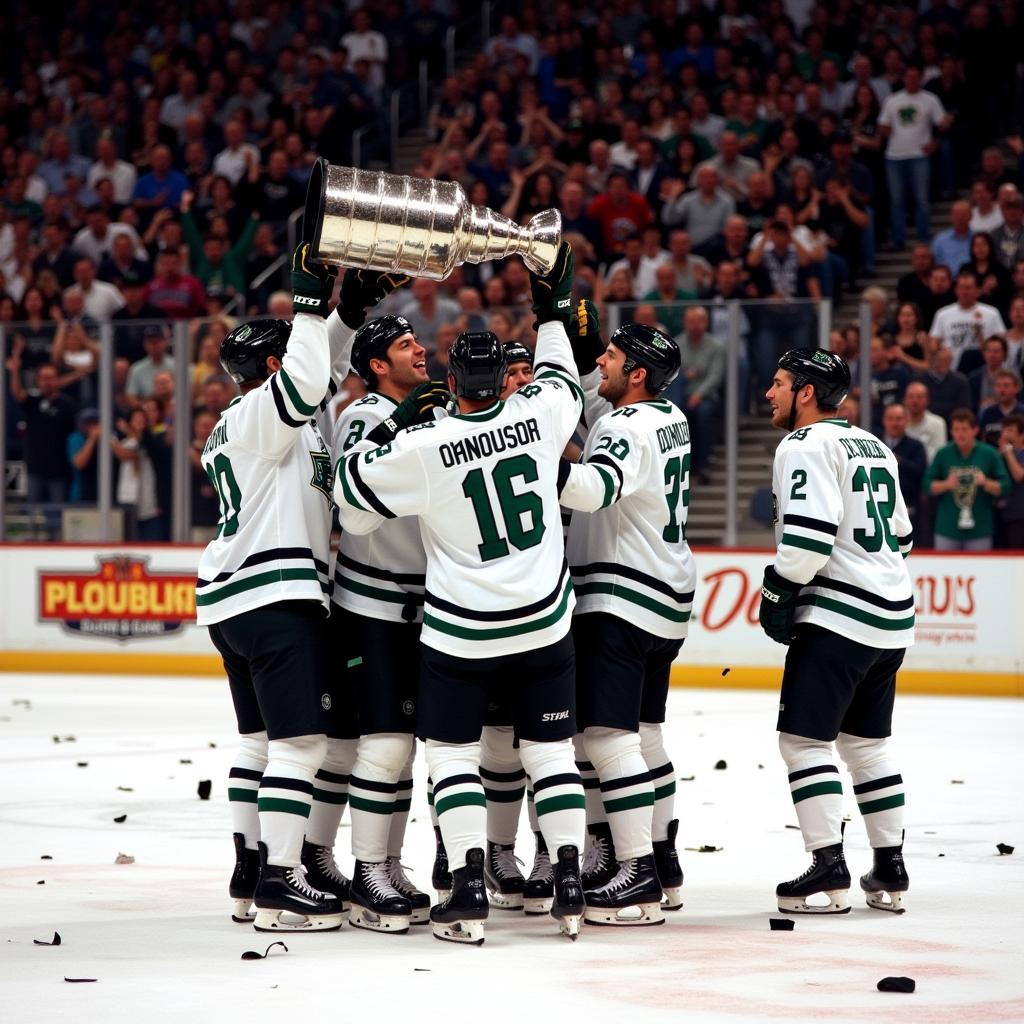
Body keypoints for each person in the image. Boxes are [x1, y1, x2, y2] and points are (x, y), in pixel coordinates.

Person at [334, 243, 588, 945]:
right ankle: (566, 878)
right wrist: (556, 305)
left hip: (460, 630)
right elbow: (563, 373)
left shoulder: (425, 443)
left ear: (449, 379)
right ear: (505, 378)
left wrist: (397, 426)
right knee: (550, 753)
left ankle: (468, 883)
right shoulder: (537, 416)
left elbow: (350, 499)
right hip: (544, 621)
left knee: (451, 756)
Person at [197, 244, 392, 932]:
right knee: (301, 746)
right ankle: (281, 882)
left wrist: (345, 310)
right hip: (275, 598)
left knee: (258, 741)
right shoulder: (266, 414)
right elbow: (311, 376)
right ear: (275, 367)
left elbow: (321, 364)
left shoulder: (253, 417)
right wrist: (310, 300)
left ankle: (250, 868)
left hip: (237, 598)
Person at [760, 348, 915, 917]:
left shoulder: (803, 445)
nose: (769, 394)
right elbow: (901, 540)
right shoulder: (874, 444)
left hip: (839, 619)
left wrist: (777, 589)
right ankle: (890, 866)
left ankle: (828, 865)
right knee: (867, 745)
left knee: (803, 742)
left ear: (805, 391)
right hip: (893, 618)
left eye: (778, 384)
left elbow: (804, 544)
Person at [558, 315, 693, 926]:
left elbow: (591, 489)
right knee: (646, 736)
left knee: (606, 740)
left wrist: (527, 458)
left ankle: (634, 871)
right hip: (666, 595)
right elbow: (597, 403)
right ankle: (662, 860)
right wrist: (576, 335)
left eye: (611, 358)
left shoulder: (623, 425)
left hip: (620, 596)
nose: (602, 365)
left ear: (636, 375)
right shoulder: (670, 417)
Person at [329, 310, 440, 935]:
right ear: (376, 365)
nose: (421, 351)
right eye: (406, 345)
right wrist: (406, 419)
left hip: (419, 608)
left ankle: (389, 864)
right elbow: (354, 504)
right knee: (386, 744)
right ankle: (368, 869)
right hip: (372, 607)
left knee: (402, 751)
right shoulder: (361, 416)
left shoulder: (431, 411)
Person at [877, 64, 951, 250]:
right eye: (908, 77)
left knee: (921, 200)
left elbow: (942, 124)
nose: (911, 80)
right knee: (897, 201)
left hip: (919, 155)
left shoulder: (930, 100)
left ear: (921, 79)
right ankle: (898, 240)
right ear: (904, 79)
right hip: (894, 156)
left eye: (915, 77)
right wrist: (884, 130)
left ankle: (923, 239)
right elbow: (882, 126)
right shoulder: (892, 100)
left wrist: (936, 141)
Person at [924, 408, 1010, 551]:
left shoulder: (990, 454)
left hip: (980, 529)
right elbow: (926, 485)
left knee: (980, 571)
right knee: (946, 571)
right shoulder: (943, 453)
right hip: (947, 529)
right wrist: (946, 484)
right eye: (956, 429)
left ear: (975, 430)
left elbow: (1006, 486)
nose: (960, 434)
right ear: (951, 432)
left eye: (964, 429)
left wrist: (986, 483)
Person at [928, 271, 1007, 375]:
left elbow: (1002, 342)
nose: (965, 292)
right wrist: (940, 354)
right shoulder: (943, 314)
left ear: (978, 290)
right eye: (962, 288)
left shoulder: (992, 313)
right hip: (953, 370)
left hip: (985, 370)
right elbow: (933, 343)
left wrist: (981, 337)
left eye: (969, 288)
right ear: (956, 290)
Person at [879, 403, 927, 535]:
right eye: (890, 418)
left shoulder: (916, 446)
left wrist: (898, 461)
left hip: (909, 509)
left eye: (899, 418)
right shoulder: (874, 444)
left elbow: (921, 473)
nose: (895, 423)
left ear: (906, 420)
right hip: (878, 511)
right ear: (884, 420)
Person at [903, 381, 948, 462]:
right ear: (905, 400)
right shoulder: (898, 422)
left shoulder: (938, 423)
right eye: (911, 397)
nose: (915, 401)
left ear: (927, 400)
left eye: (919, 397)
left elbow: (938, 456)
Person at [978, 369, 1024, 447]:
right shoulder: (987, 413)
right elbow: (981, 441)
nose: (1002, 390)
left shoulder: (1022, 412)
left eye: (1006, 385)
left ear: (1017, 388)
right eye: (998, 386)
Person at [997, 415, 1024, 548]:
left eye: (1010, 431)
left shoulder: (1021, 455)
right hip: (999, 514)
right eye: (1004, 430)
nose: (1005, 435)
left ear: (1021, 436)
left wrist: (1008, 453)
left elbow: (1019, 476)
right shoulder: (996, 456)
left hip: (1019, 517)